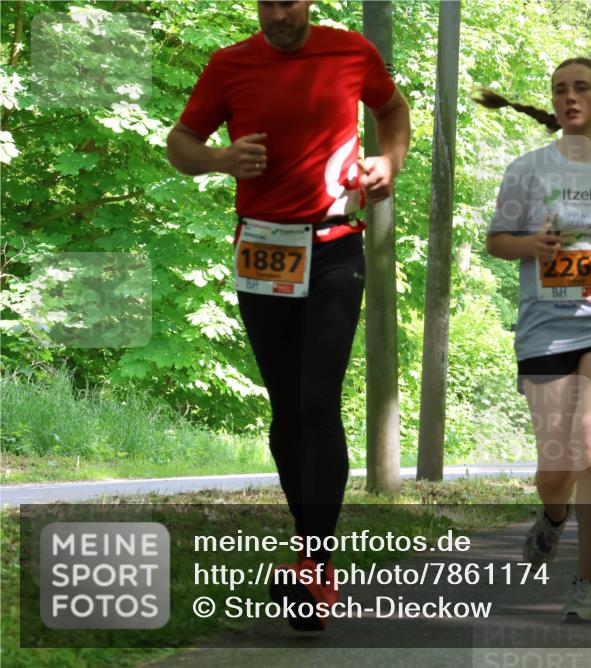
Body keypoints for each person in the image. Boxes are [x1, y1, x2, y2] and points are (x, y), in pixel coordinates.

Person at [166, 0, 410, 632]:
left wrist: (389, 162)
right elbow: (180, 144)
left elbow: (392, 109)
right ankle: (308, 541)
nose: (277, 13)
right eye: (266, 3)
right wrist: (220, 159)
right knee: (285, 410)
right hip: (264, 249)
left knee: (317, 400)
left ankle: (314, 565)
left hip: (334, 247)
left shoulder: (351, 51)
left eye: (288, 2)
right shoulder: (230, 64)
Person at [480, 57, 591, 623]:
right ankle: (552, 515)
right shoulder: (526, 170)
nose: (570, 97)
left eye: (581, 88)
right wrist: (531, 242)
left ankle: (587, 583)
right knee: (555, 469)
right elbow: (497, 242)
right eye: (560, 90)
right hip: (546, 326)